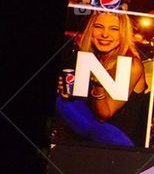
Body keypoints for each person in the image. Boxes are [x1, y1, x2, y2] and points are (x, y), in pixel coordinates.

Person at [55, 12, 149, 147]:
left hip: (117, 146)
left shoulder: (131, 64)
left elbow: (104, 114)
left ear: (124, 33)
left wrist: (98, 86)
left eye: (114, 29)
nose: (105, 34)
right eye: (99, 26)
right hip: (86, 141)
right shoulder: (92, 58)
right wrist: (67, 93)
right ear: (90, 30)